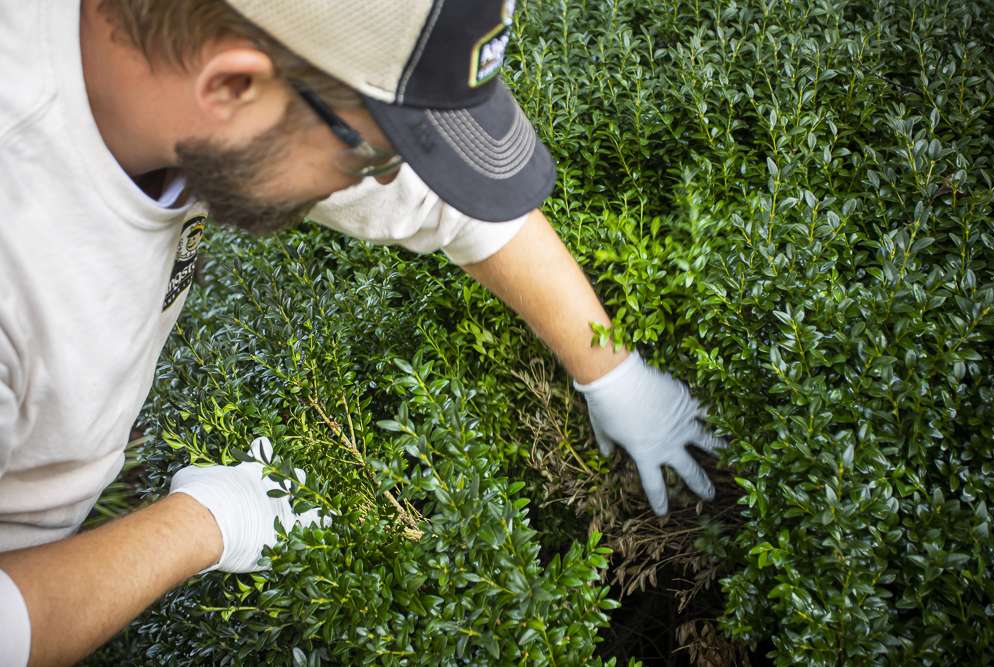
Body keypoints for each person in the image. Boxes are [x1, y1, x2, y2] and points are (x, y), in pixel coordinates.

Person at [0, 1, 722, 664]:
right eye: (373, 156)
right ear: (230, 87)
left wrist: (610, 368)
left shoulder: (201, 89)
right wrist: (205, 521)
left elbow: (453, 208)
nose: (380, 182)